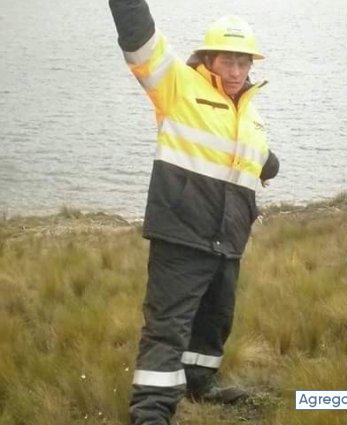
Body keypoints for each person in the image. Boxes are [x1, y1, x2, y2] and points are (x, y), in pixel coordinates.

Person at [109, 1, 280, 424]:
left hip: (229, 240)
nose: (236, 71)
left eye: (243, 62)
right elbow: (139, 39)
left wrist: (269, 164)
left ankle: (200, 384)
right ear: (208, 58)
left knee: (214, 321)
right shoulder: (177, 84)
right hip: (182, 233)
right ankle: (151, 412)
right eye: (227, 60)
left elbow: (251, 156)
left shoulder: (250, 112)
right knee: (168, 326)